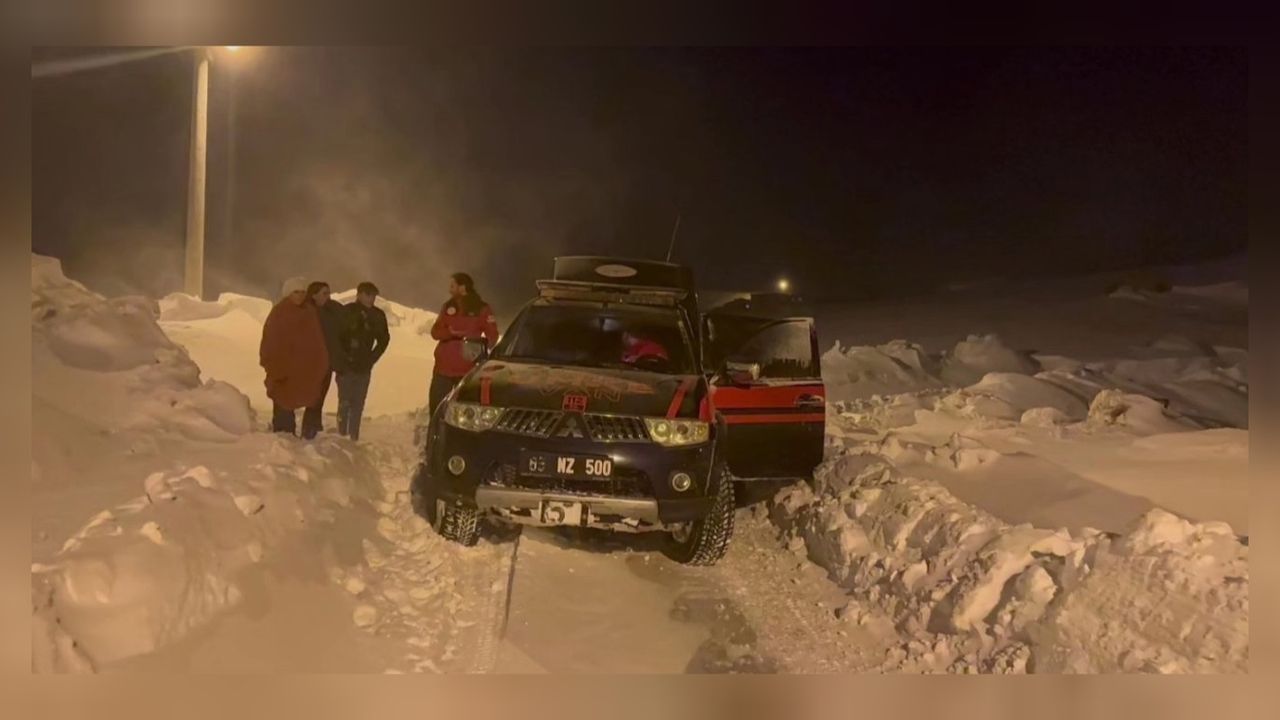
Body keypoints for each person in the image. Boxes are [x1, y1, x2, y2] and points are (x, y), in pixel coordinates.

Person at [259, 276, 330, 436]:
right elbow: (270, 342)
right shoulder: (279, 313)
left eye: (303, 292)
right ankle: (283, 441)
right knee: (283, 410)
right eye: (296, 292)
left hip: (303, 372)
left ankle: (296, 441)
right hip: (283, 372)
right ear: (288, 293)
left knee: (299, 401)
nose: (299, 295)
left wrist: (319, 365)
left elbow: (316, 342)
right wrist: (275, 367)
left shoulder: (309, 313)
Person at [429, 272, 498, 416]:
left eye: (452, 285)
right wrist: (450, 334)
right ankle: (437, 437)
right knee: (437, 411)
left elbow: (493, 335)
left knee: (465, 413)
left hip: (468, 373)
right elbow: (435, 332)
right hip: (443, 370)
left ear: (462, 287)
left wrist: (480, 355)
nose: (449, 289)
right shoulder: (447, 306)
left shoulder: (482, 308)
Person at [338, 281, 390, 441]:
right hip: (346, 364)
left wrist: (372, 358)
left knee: (358, 403)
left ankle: (353, 436)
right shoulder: (347, 311)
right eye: (368, 294)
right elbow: (337, 336)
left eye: (373, 295)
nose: (371, 298)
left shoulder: (378, 315)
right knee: (345, 401)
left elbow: (384, 340)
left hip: (364, 365)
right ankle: (342, 435)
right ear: (359, 294)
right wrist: (342, 356)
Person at [304, 281, 348, 439]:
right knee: (313, 397)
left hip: (328, 362)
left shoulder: (332, 311)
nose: (328, 296)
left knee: (320, 396)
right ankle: (309, 430)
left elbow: (338, 336)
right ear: (314, 295)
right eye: (324, 293)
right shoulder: (307, 312)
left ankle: (314, 428)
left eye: (328, 293)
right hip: (312, 362)